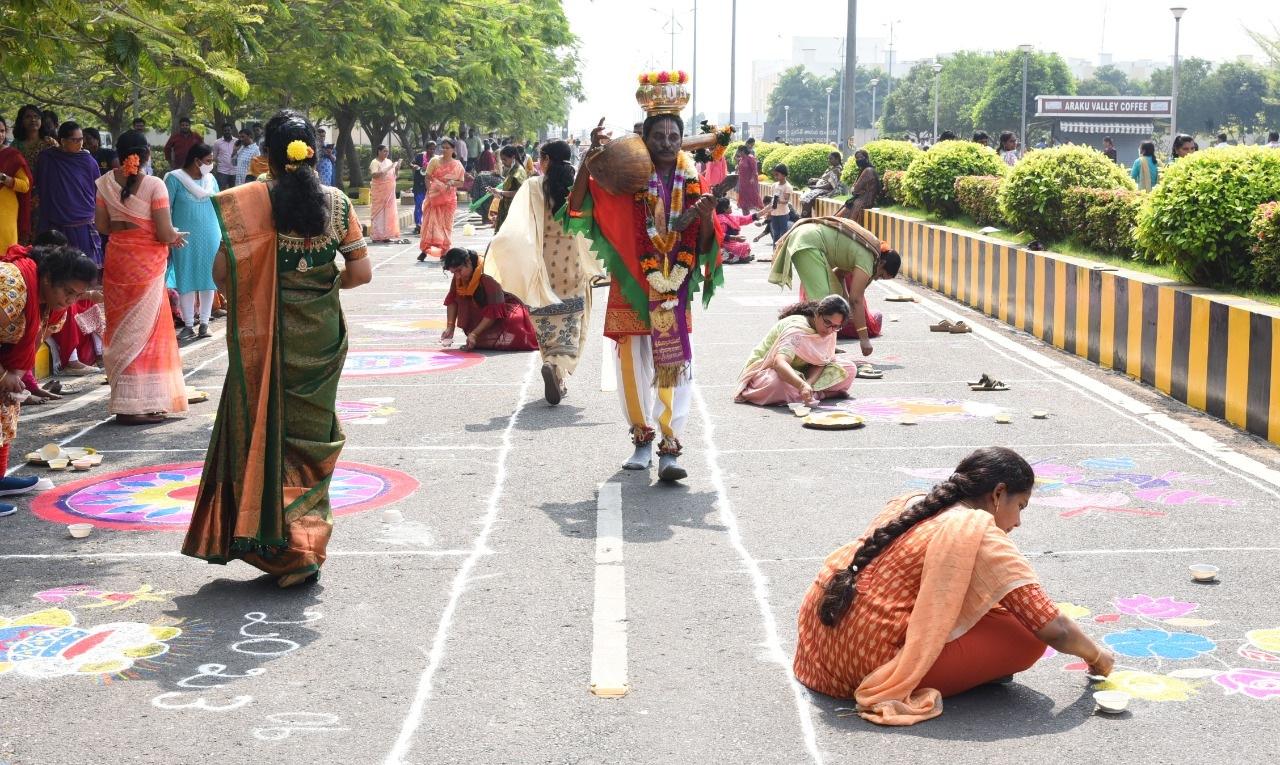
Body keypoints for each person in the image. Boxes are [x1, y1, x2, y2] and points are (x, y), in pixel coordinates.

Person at [183, 110, 372, 587]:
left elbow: (221, 277)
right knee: (313, 439)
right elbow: (359, 274)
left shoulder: (249, 203)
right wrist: (319, 285)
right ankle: (305, 543)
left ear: (265, 154)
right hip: (323, 337)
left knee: (269, 434)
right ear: (315, 151)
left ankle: (281, 546)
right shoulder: (336, 202)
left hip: (267, 336)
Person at [793, 447, 1116, 725]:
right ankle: (970, 672)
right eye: (1020, 506)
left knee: (999, 603)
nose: (1017, 522)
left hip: (822, 652)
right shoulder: (978, 531)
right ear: (998, 494)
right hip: (869, 668)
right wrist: (1098, 657)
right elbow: (1053, 628)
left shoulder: (912, 503)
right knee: (1026, 638)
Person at [565, 99, 725, 482]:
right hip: (633, 285)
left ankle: (670, 447)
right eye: (660, 136)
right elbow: (580, 204)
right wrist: (593, 158)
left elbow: (705, 244)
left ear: (683, 140)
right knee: (631, 365)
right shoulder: (627, 176)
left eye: (675, 136)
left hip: (674, 283)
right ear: (645, 138)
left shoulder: (694, 180)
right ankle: (641, 439)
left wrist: (703, 219)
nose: (668, 143)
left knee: (674, 368)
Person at [485, 140, 603, 403]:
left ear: (546, 160)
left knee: (546, 320)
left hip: (544, 262)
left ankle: (550, 363)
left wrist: (502, 248)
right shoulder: (577, 188)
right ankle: (557, 369)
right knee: (572, 321)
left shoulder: (533, 186)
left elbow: (517, 225)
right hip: (572, 261)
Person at [94, 130, 190, 425]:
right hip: (146, 265)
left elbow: (103, 226)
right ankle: (140, 404)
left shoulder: (104, 183)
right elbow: (163, 232)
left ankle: (126, 402)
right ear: (146, 154)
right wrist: (175, 237)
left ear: (119, 155)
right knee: (148, 330)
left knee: (123, 329)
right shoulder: (154, 185)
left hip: (118, 261)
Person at [0, 242, 98, 516]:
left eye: (77, 295)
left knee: (5, 407)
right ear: (47, 278)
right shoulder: (10, 285)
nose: (70, 301)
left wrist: (15, 378)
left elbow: (30, 344)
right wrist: (3, 375)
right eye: (67, 292)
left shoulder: (54, 309)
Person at [768, 216, 900, 357]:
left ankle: (824, 344)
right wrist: (864, 339)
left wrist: (845, 302)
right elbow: (856, 299)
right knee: (822, 301)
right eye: (881, 275)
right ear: (882, 263)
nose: (876, 278)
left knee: (833, 298)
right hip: (808, 242)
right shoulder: (869, 258)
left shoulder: (871, 254)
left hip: (809, 240)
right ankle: (806, 341)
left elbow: (839, 275)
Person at [734, 296, 858, 406]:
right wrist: (801, 385)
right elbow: (779, 363)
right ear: (817, 314)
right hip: (770, 370)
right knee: (774, 384)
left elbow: (821, 362)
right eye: (827, 322)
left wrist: (808, 383)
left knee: (849, 369)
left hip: (802, 373)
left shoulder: (830, 331)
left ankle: (806, 394)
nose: (830, 330)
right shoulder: (797, 330)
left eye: (836, 326)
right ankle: (821, 395)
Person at [164, 143, 221, 341]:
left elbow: (220, 205)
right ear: (196, 161)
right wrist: (169, 234)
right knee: (185, 277)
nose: (210, 165)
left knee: (209, 278)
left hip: (211, 235)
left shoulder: (211, 179)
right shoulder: (174, 179)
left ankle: (205, 323)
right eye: (208, 161)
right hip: (183, 238)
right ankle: (188, 324)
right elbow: (165, 209)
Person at [440, 247, 537, 352]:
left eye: (459, 270)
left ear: (468, 262)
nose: (457, 276)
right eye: (454, 273)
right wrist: (450, 327)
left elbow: (494, 311)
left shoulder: (488, 274)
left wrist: (474, 334)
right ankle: (479, 334)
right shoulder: (459, 276)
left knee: (514, 328)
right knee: (462, 299)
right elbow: (452, 300)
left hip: (504, 311)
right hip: (482, 312)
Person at [35, 122, 104, 266]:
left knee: (82, 269)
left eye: (81, 139)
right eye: (75, 140)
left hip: (83, 222)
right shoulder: (48, 158)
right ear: (63, 141)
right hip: (55, 222)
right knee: (57, 269)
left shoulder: (88, 161)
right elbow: (42, 187)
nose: (80, 143)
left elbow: (97, 190)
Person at [12, 105, 55, 242]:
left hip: (46, 195)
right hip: (21, 194)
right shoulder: (15, 145)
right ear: (21, 121)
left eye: (36, 117)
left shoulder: (49, 143)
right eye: (28, 117)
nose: (33, 120)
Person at [418, 139, 465, 259]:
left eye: (447, 148)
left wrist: (452, 182)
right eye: (443, 147)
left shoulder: (457, 165)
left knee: (446, 225)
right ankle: (425, 250)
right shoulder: (434, 161)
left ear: (453, 149)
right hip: (433, 198)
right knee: (430, 224)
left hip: (448, 200)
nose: (444, 150)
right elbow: (427, 177)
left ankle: (444, 251)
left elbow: (461, 183)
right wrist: (430, 191)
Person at [0, 118, 34, 251]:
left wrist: (4, 178)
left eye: (2, 131)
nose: (0, 135)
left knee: (6, 256)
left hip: (5, 213)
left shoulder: (12, 155)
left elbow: (25, 185)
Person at [368, 144, 403, 243]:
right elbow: (374, 175)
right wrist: (387, 168)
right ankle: (376, 235)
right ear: (378, 151)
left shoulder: (389, 162)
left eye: (387, 151)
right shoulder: (374, 162)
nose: (386, 153)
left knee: (388, 213)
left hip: (389, 192)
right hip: (379, 192)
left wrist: (396, 168)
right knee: (378, 213)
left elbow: (394, 176)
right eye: (384, 151)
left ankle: (387, 235)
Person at [838, 149, 880, 225]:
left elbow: (855, 190)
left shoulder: (868, 171)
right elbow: (855, 189)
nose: (858, 160)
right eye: (857, 158)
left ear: (866, 158)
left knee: (844, 221)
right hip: (861, 199)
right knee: (840, 217)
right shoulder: (865, 170)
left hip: (865, 201)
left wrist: (856, 190)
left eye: (860, 157)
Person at [491, 145, 527, 234]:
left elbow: (520, 193)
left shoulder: (518, 172)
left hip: (514, 211)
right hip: (506, 208)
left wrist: (501, 192)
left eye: (504, 159)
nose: (503, 162)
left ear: (513, 157)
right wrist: (497, 193)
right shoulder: (513, 170)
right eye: (502, 160)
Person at [799, 151, 846, 218]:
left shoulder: (837, 170)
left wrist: (816, 187)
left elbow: (830, 185)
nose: (829, 160)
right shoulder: (831, 168)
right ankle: (806, 217)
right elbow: (823, 178)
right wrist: (815, 180)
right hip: (820, 188)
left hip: (827, 190)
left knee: (807, 198)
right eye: (828, 159)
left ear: (837, 159)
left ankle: (804, 217)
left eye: (831, 159)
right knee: (805, 195)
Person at [757, 163, 794, 244]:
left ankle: (781, 252)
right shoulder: (774, 185)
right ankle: (775, 252)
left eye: (777, 174)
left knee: (783, 234)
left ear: (783, 174)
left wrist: (779, 201)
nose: (775, 177)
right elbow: (773, 199)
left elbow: (786, 201)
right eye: (775, 175)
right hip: (774, 213)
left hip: (783, 214)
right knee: (776, 234)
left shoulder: (787, 187)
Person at [715, 198, 756, 264]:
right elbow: (720, 235)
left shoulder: (731, 217)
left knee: (745, 245)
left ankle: (739, 257)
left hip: (732, 243)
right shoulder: (721, 219)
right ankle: (736, 257)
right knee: (742, 246)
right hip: (725, 244)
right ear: (724, 209)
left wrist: (763, 211)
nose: (731, 207)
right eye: (729, 205)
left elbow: (746, 219)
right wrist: (735, 238)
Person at [410, 141, 435, 234]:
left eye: (433, 149)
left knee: (430, 205)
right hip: (419, 184)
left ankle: (428, 224)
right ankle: (418, 224)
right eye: (430, 148)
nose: (432, 150)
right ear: (426, 149)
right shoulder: (420, 156)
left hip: (430, 185)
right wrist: (415, 166)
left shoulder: (435, 159)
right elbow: (411, 164)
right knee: (419, 204)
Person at [735, 141, 762, 215]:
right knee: (743, 200)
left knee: (755, 198)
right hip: (742, 182)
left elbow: (754, 169)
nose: (738, 153)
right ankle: (746, 216)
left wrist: (753, 178)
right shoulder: (741, 159)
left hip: (750, 182)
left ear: (743, 151)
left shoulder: (750, 158)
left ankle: (765, 213)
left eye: (739, 151)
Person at [212, 124, 237, 189]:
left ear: (232, 130)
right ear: (222, 131)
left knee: (234, 191)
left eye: (228, 130)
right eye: (225, 130)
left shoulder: (237, 141)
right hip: (222, 171)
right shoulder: (217, 142)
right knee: (221, 191)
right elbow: (214, 157)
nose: (227, 132)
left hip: (235, 171)